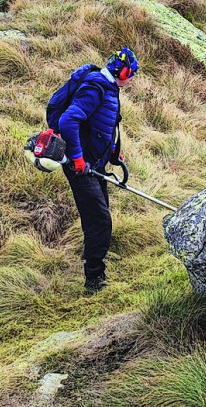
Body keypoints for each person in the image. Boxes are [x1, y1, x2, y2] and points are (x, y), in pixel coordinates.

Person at [56, 47, 138, 292]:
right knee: (101, 219)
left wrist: (112, 150)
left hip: (95, 163)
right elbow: (68, 121)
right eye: (131, 73)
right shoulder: (96, 87)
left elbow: (98, 124)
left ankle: (95, 259)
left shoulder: (108, 87)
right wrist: (78, 159)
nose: (132, 78)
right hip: (81, 166)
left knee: (98, 215)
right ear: (122, 72)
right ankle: (94, 279)